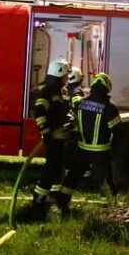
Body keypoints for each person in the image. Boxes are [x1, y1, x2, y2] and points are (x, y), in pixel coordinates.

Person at [53, 72, 121, 216]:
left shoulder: (81, 103)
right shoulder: (109, 107)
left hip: (82, 149)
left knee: (72, 176)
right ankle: (110, 209)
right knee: (104, 181)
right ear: (108, 87)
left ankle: (62, 202)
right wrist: (114, 150)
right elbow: (117, 131)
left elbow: (74, 105)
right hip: (101, 152)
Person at [25, 59, 71, 220]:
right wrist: (46, 132)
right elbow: (39, 112)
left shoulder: (62, 91)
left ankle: (53, 195)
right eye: (65, 75)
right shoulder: (47, 92)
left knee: (58, 168)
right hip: (53, 137)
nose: (67, 78)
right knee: (51, 169)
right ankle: (38, 198)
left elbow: (65, 110)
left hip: (61, 136)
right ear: (59, 74)